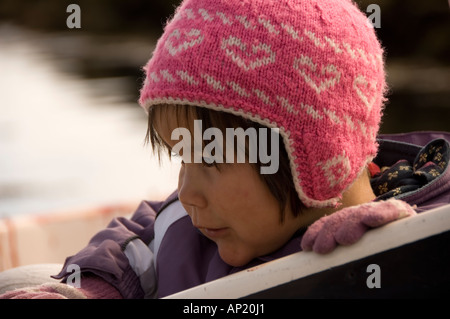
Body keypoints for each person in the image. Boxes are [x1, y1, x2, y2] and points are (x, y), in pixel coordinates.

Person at [1, 0, 449, 299]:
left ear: (315, 158)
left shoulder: (432, 224)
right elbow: (131, 249)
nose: (187, 193)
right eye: (182, 156)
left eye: (211, 157)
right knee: (27, 282)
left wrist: (388, 254)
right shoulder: (189, 224)